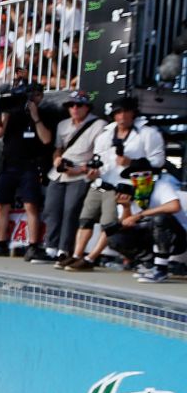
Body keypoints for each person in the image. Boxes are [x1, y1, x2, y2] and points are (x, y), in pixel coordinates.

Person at [63, 97, 166, 272]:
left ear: (134, 112)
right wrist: (92, 172)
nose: (122, 116)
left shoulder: (148, 133)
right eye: (118, 112)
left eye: (126, 111)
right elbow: (99, 160)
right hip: (101, 181)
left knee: (110, 223)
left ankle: (90, 258)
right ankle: (76, 255)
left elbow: (158, 161)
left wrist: (131, 162)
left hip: (125, 185)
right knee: (86, 219)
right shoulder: (106, 133)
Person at [0, 83, 51, 261]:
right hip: (8, 165)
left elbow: (46, 139)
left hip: (29, 165)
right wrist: (5, 114)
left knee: (31, 206)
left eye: (37, 95)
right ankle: (1, 243)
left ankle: (33, 245)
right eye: (30, 96)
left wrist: (35, 117)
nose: (33, 99)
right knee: (1, 205)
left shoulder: (44, 114)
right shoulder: (12, 113)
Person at [42, 92, 106, 263]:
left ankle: (64, 249)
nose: (75, 109)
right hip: (59, 173)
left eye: (78, 105)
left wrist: (78, 170)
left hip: (81, 174)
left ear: (87, 107)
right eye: (71, 105)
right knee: (51, 208)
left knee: (71, 211)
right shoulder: (62, 125)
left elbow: (100, 156)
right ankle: (50, 247)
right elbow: (58, 148)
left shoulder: (99, 125)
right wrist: (56, 159)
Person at [105, 159, 187, 284]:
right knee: (114, 237)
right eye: (136, 176)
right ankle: (148, 263)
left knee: (160, 218)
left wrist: (140, 215)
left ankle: (161, 269)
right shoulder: (129, 193)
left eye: (145, 175)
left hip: (176, 238)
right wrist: (126, 207)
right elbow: (125, 224)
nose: (141, 179)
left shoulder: (161, 186)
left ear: (152, 175)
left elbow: (174, 206)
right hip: (148, 236)